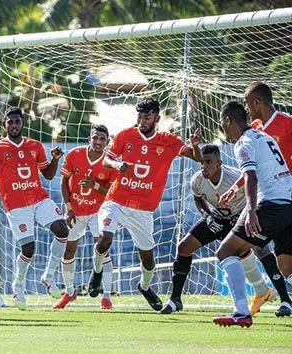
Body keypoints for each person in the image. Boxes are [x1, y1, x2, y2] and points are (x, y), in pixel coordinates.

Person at [88, 97, 202, 311]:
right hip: (117, 201)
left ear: (157, 117)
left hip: (143, 211)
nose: (142, 121)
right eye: (139, 116)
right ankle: (96, 272)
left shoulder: (168, 141)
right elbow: (106, 159)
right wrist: (117, 164)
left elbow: (196, 157)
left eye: (147, 116)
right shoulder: (126, 135)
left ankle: (144, 286)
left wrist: (195, 146)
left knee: (148, 261)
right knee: (104, 240)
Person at [160, 144, 277, 315]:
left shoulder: (234, 177)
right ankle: (175, 299)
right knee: (183, 248)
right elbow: (198, 199)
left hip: (239, 217)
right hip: (217, 218)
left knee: (257, 250)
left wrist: (249, 216)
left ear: (219, 163)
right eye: (202, 163)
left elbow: (255, 193)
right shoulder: (197, 180)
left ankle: (278, 297)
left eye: (208, 162)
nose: (204, 166)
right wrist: (207, 215)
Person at [213, 101, 292, 327]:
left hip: (272, 203)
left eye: (223, 124)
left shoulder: (243, 143)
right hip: (289, 203)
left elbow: (252, 176)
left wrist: (250, 210)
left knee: (226, 251)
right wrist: (234, 189)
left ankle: (241, 312)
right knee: (286, 267)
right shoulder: (263, 136)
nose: (223, 129)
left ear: (228, 120)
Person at [0, 107, 69, 310]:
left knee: (62, 230)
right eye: (10, 122)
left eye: (17, 122)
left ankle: (48, 276)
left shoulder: (34, 146)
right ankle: (18, 284)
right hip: (16, 206)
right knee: (28, 249)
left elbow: (47, 175)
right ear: (5, 124)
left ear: (23, 123)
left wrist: (55, 160)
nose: (13, 125)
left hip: (39, 199)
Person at [50, 124, 117, 310]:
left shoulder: (111, 162)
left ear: (107, 142)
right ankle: (69, 293)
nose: (98, 142)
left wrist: (95, 186)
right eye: (95, 138)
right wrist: (68, 207)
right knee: (69, 251)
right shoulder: (74, 154)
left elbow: (112, 192)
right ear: (90, 138)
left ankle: (107, 297)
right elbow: (64, 181)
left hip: (98, 211)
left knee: (103, 249)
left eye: (102, 139)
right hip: (76, 211)